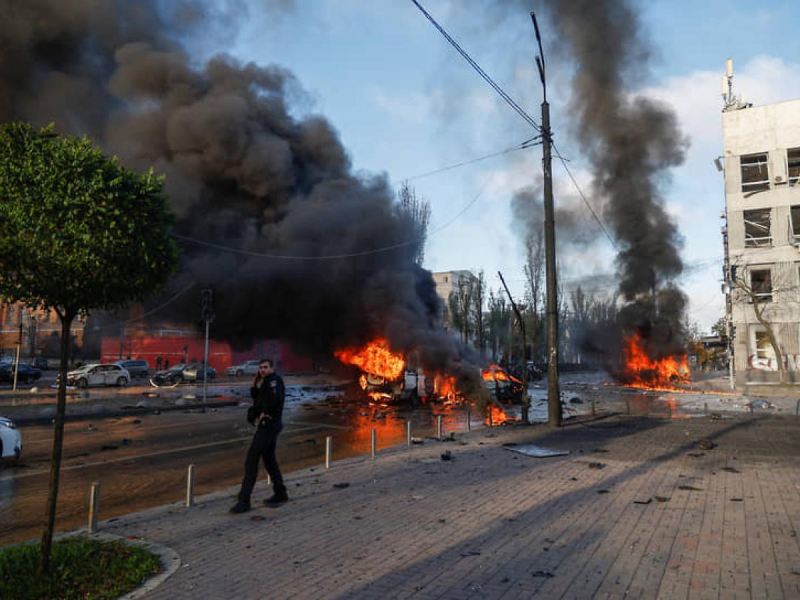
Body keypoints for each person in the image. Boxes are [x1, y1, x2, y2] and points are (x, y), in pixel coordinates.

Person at [230, 358, 288, 513]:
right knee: (269, 460)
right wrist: (255, 383)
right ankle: (280, 492)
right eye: (260, 368)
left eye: (265, 367)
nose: (262, 370)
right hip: (270, 426)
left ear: (272, 368)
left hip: (268, 426)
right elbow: (259, 399)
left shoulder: (273, 381)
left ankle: (244, 501)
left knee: (251, 461)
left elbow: (276, 400)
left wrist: (265, 413)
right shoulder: (266, 382)